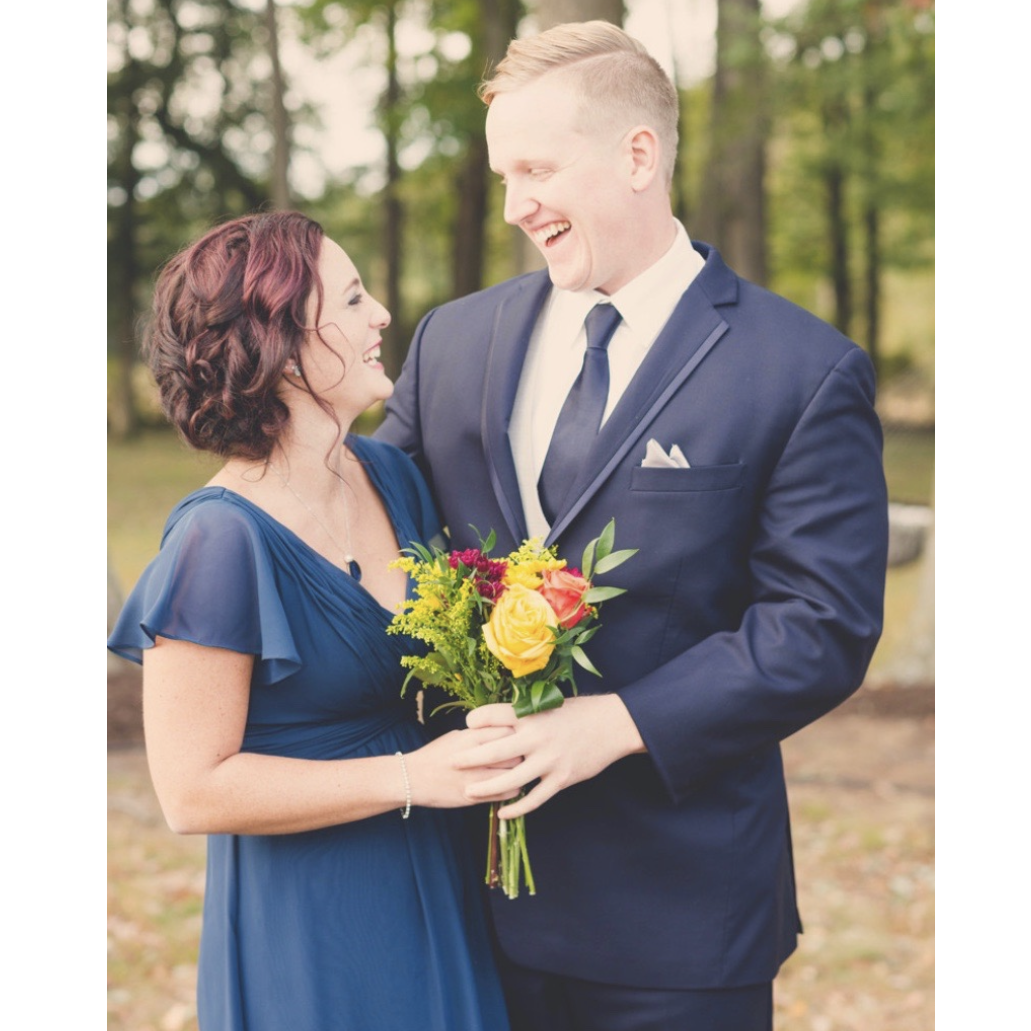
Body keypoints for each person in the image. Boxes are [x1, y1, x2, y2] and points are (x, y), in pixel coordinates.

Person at [376, 20, 889, 1031]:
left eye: (536, 169)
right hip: (461, 905)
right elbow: (366, 524)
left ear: (638, 155)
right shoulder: (453, 340)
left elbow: (819, 625)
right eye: (503, 176)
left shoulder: (800, 369)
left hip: (680, 920)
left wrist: (609, 724)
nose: (514, 205)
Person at [107, 211, 513, 1031]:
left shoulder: (391, 476)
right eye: (354, 299)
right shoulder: (218, 541)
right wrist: (411, 777)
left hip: (439, 881)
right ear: (283, 348)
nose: (382, 316)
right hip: (313, 918)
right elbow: (190, 790)